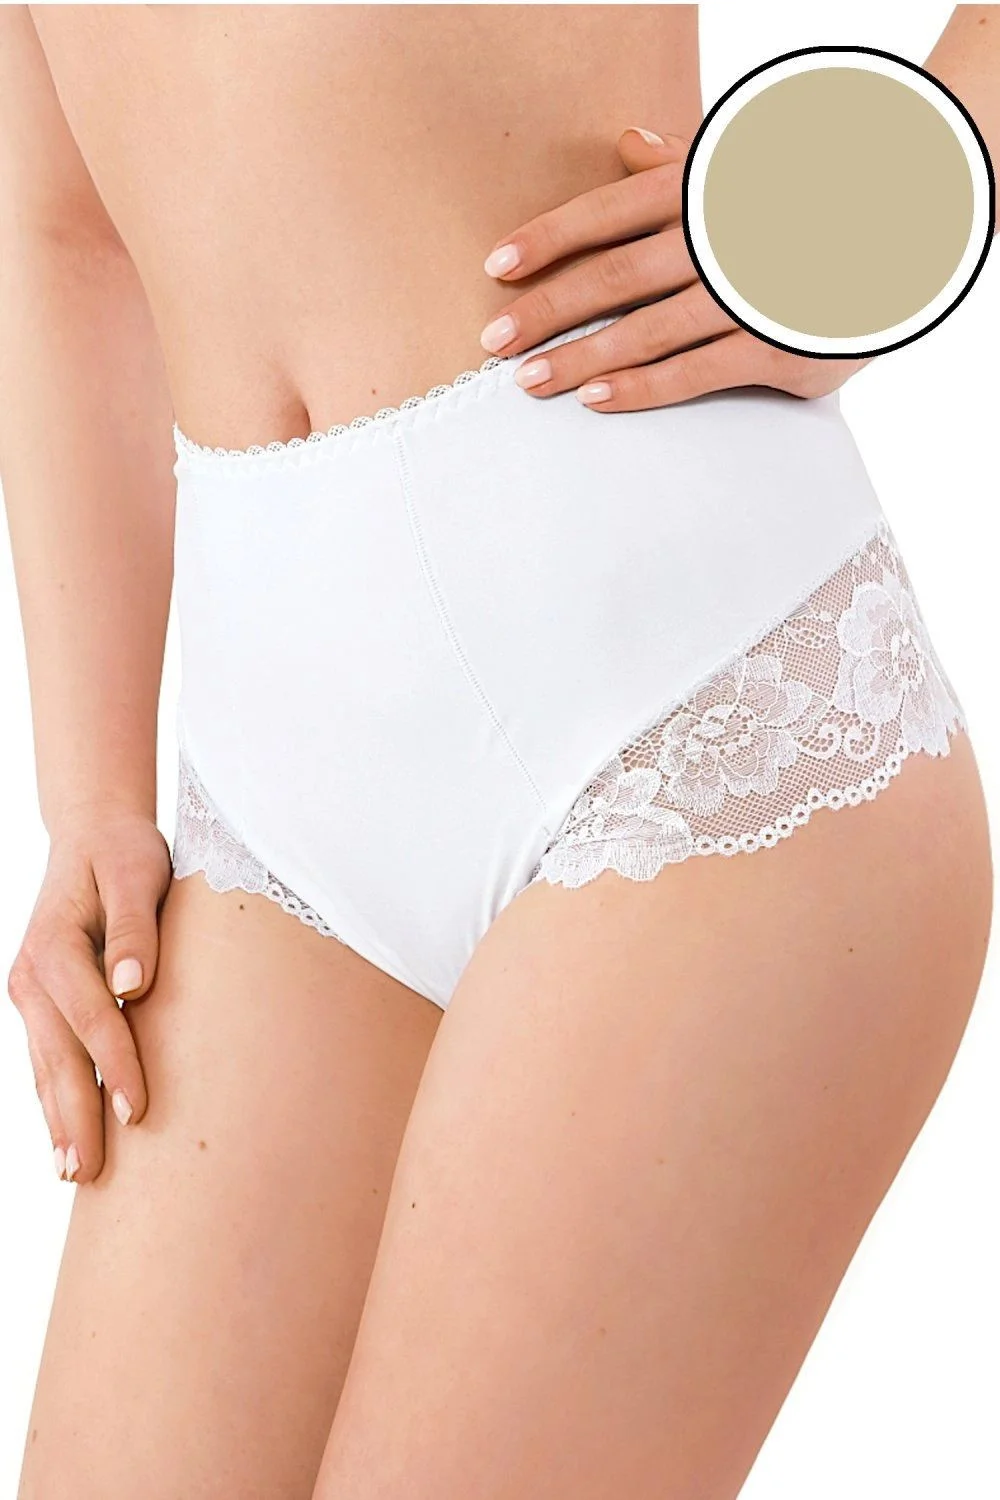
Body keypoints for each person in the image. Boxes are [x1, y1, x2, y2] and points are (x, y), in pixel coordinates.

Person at [0, 7, 994, 1498]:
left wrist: (880, 206)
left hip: (691, 700)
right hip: (279, 797)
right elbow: (62, 230)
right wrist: (89, 797)